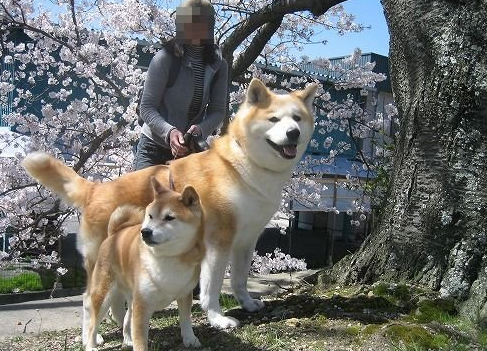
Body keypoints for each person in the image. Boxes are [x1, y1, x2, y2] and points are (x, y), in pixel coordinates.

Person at [134, 0, 228, 170]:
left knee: (187, 197)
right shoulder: (164, 59)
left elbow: (217, 111)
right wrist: (169, 132)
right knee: (144, 196)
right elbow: (147, 107)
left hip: (189, 151)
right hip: (153, 147)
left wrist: (201, 129)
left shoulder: (219, 65)